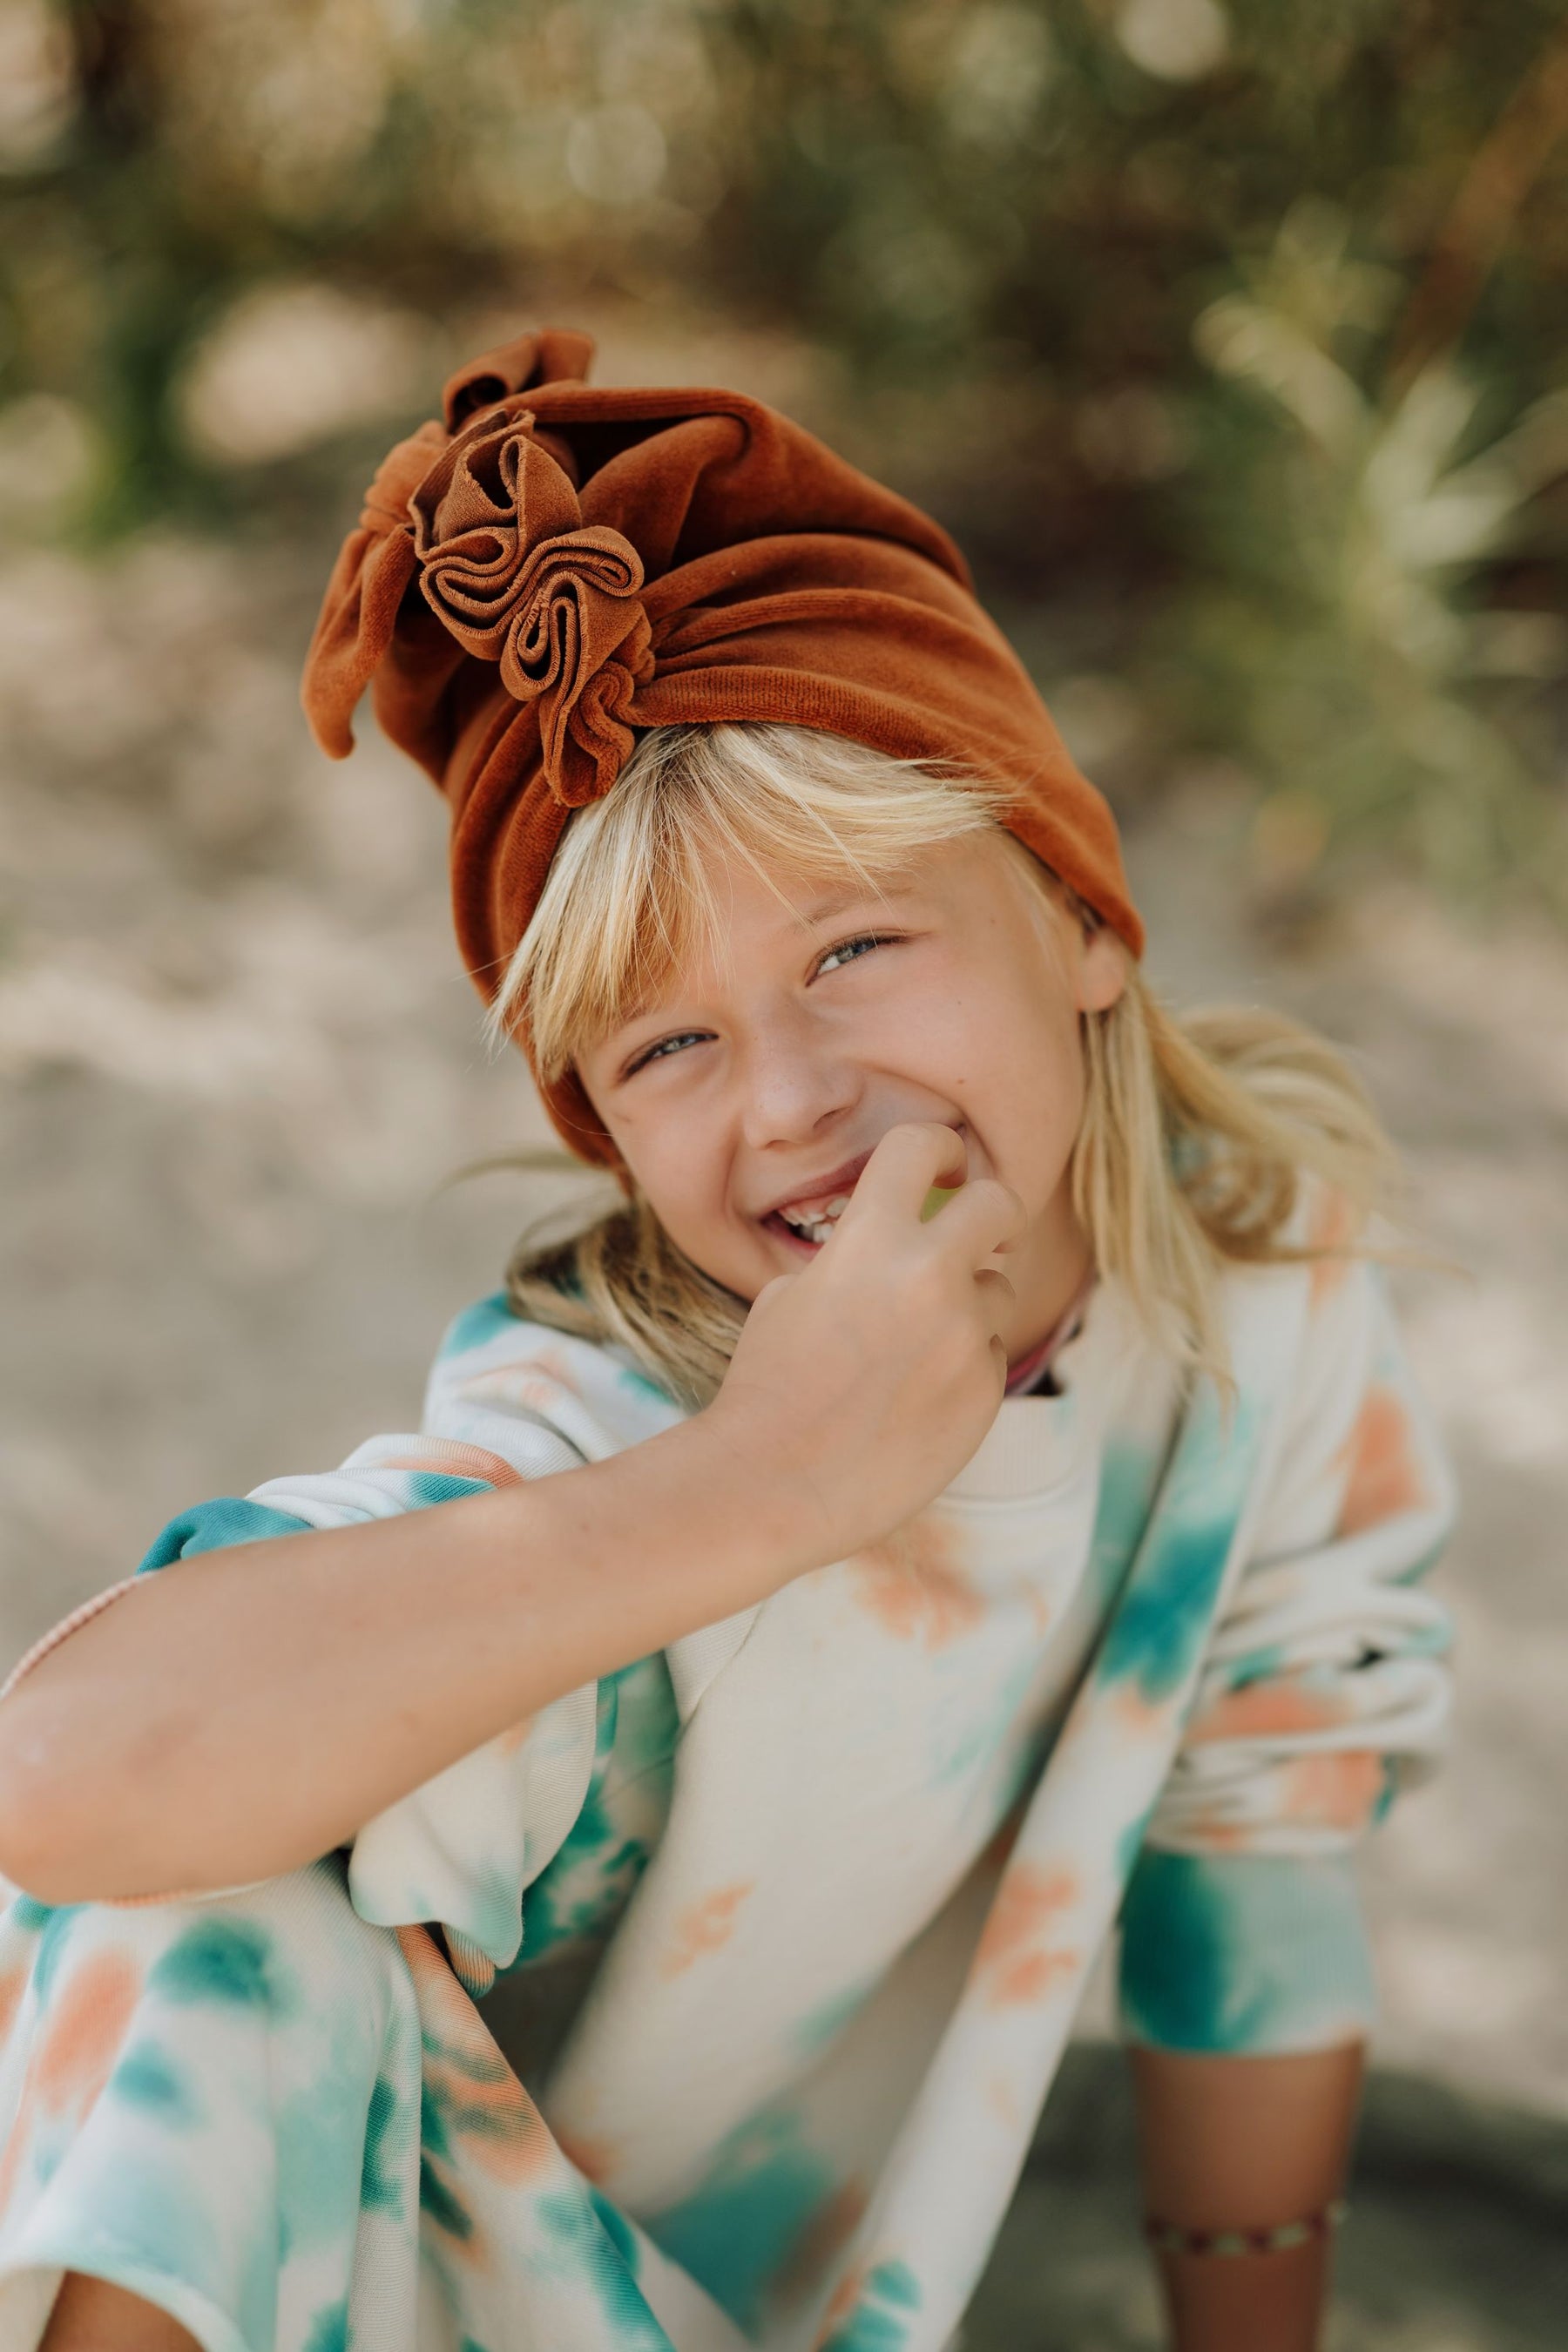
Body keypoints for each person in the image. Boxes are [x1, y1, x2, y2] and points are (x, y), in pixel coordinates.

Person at [0, 329, 1452, 2352]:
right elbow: (58, 1783)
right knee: (199, 1930)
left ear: (1085, 918)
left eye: (855, 943)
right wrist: (765, 1485)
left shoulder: (1263, 1312)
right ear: (601, 1130)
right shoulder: (606, 1427)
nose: (785, 1101)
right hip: (358, 2289)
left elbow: (1256, 1856)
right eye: (668, 1042)